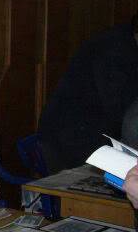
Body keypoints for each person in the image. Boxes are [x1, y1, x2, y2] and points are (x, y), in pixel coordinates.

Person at [39, 18, 138, 174]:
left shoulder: (125, 40)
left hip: (90, 137)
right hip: (70, 141)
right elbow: (121, 114)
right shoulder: (113, 51)